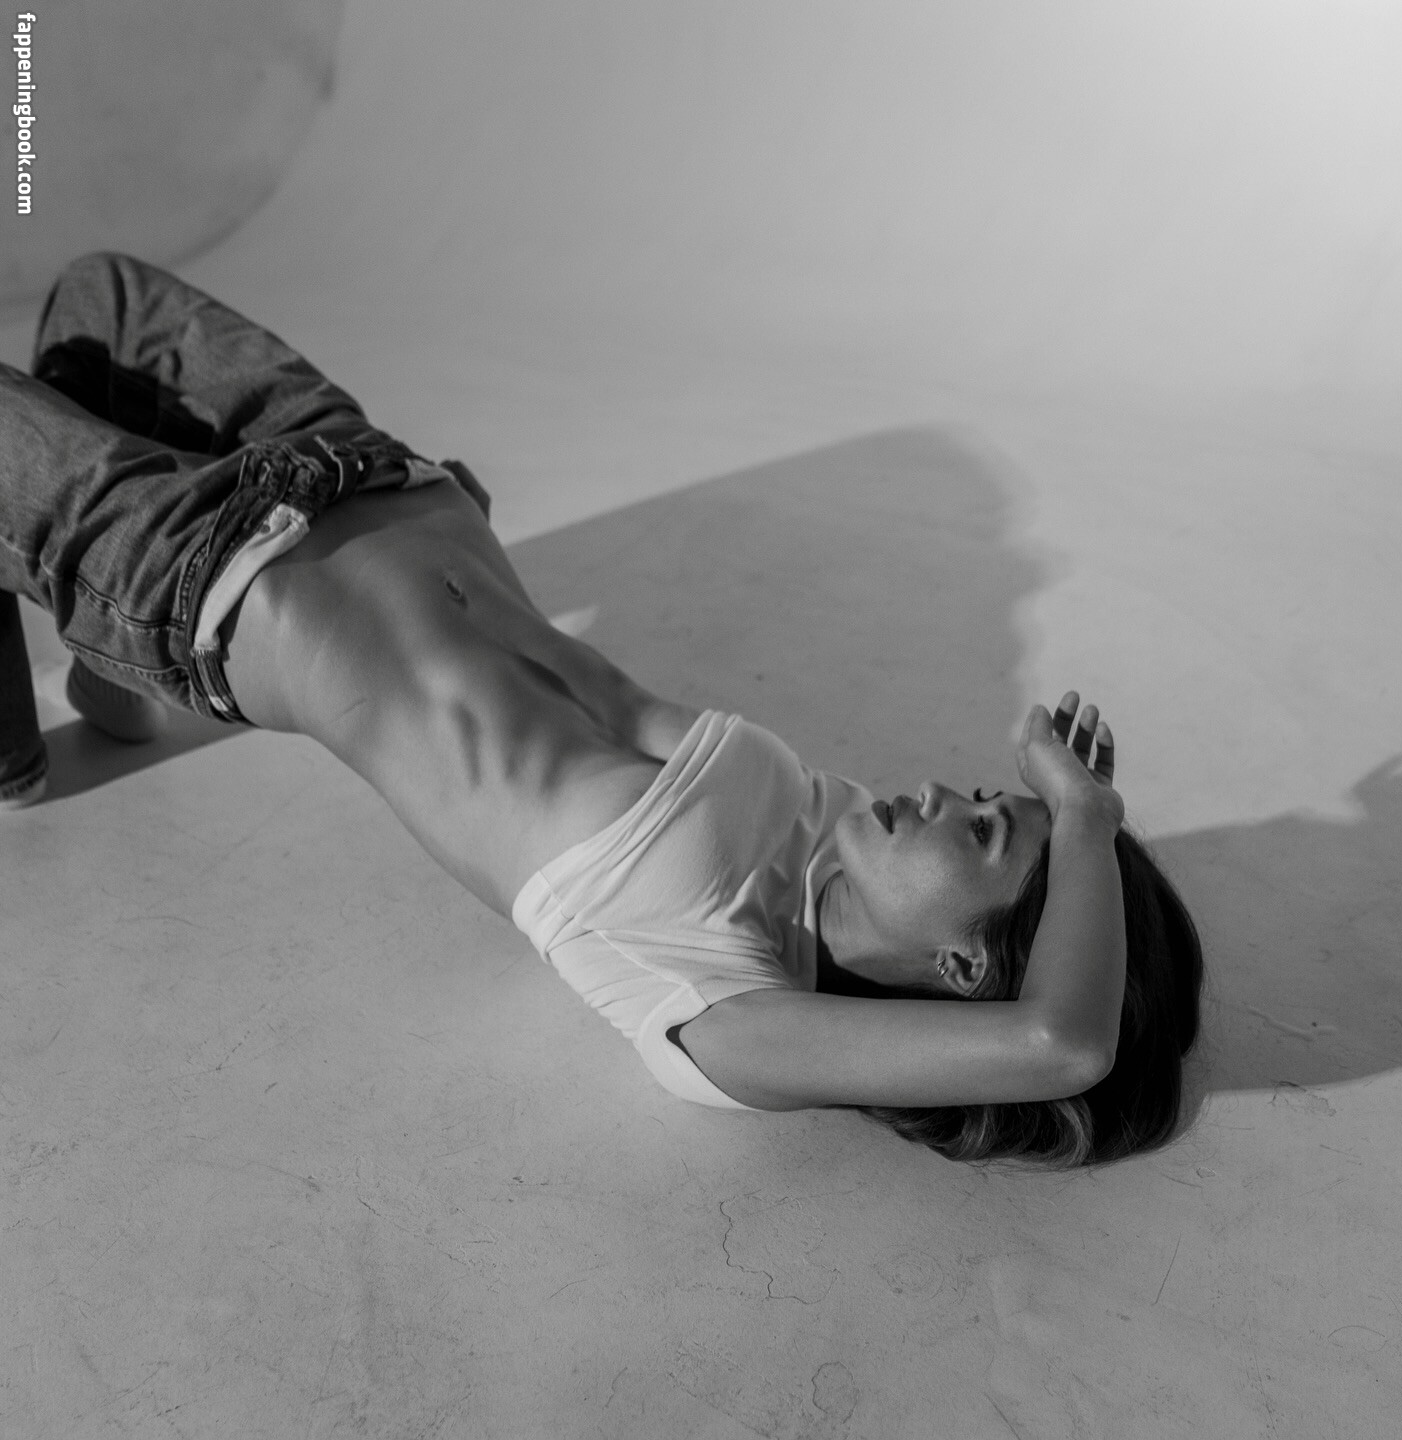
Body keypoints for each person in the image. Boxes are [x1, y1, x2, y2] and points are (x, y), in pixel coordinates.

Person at [0, 254, 1203, 1167]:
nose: (942, 791)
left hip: (207, 575)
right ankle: (104, 681)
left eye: (981, 830)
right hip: (359, 466)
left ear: (962, 965)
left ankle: (45, 717)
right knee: (100, 299)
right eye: (984, 795)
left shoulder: (730, 1009)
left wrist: (1085, 819)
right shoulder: (825, 822)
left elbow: (1062, 1045)